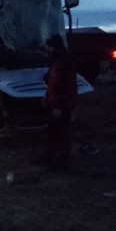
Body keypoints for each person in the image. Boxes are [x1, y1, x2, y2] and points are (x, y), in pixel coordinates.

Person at [32, 34, 78, 172]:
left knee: (62, 133)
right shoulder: (58, 61)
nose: (47, 49)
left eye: (49, 47)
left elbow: (63, 86)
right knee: (53, 131)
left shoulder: (64, 63)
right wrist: (48, 98)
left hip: (62, 104)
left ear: (54, 47)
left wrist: (59, 106)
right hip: (56, 102)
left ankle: (62, 162)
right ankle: (50, 157)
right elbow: (53, 83)